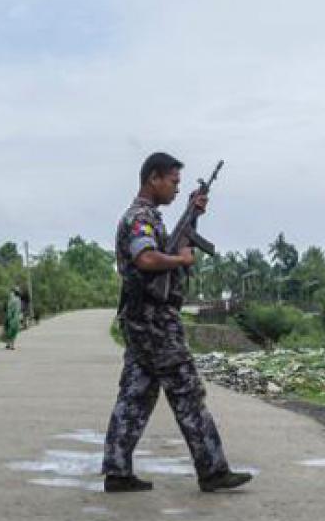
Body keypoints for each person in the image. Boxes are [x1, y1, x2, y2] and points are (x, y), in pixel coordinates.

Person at [102, 152, 252, 494]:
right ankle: (213, 469)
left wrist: (192, 216)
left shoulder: (149, 217)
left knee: (135, 395)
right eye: (172, 181)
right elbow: (147, 257)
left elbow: (168, 246)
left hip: (143, 321)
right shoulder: (140, 218)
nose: (174, 188)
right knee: (187, 391)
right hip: (155, 323)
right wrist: (181, 259)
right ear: (153, 178)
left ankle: (117, 470)